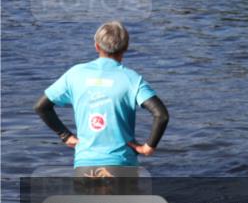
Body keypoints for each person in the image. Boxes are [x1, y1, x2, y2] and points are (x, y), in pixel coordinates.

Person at [34, 21, 169, 177]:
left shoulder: (75, 74)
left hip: (85, 166)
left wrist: (66, 136)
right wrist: (148, 147)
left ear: (97, 46)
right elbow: (161, 115)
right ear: (126, 47)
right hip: (122, 165)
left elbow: (41, 107)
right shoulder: (132, 79)